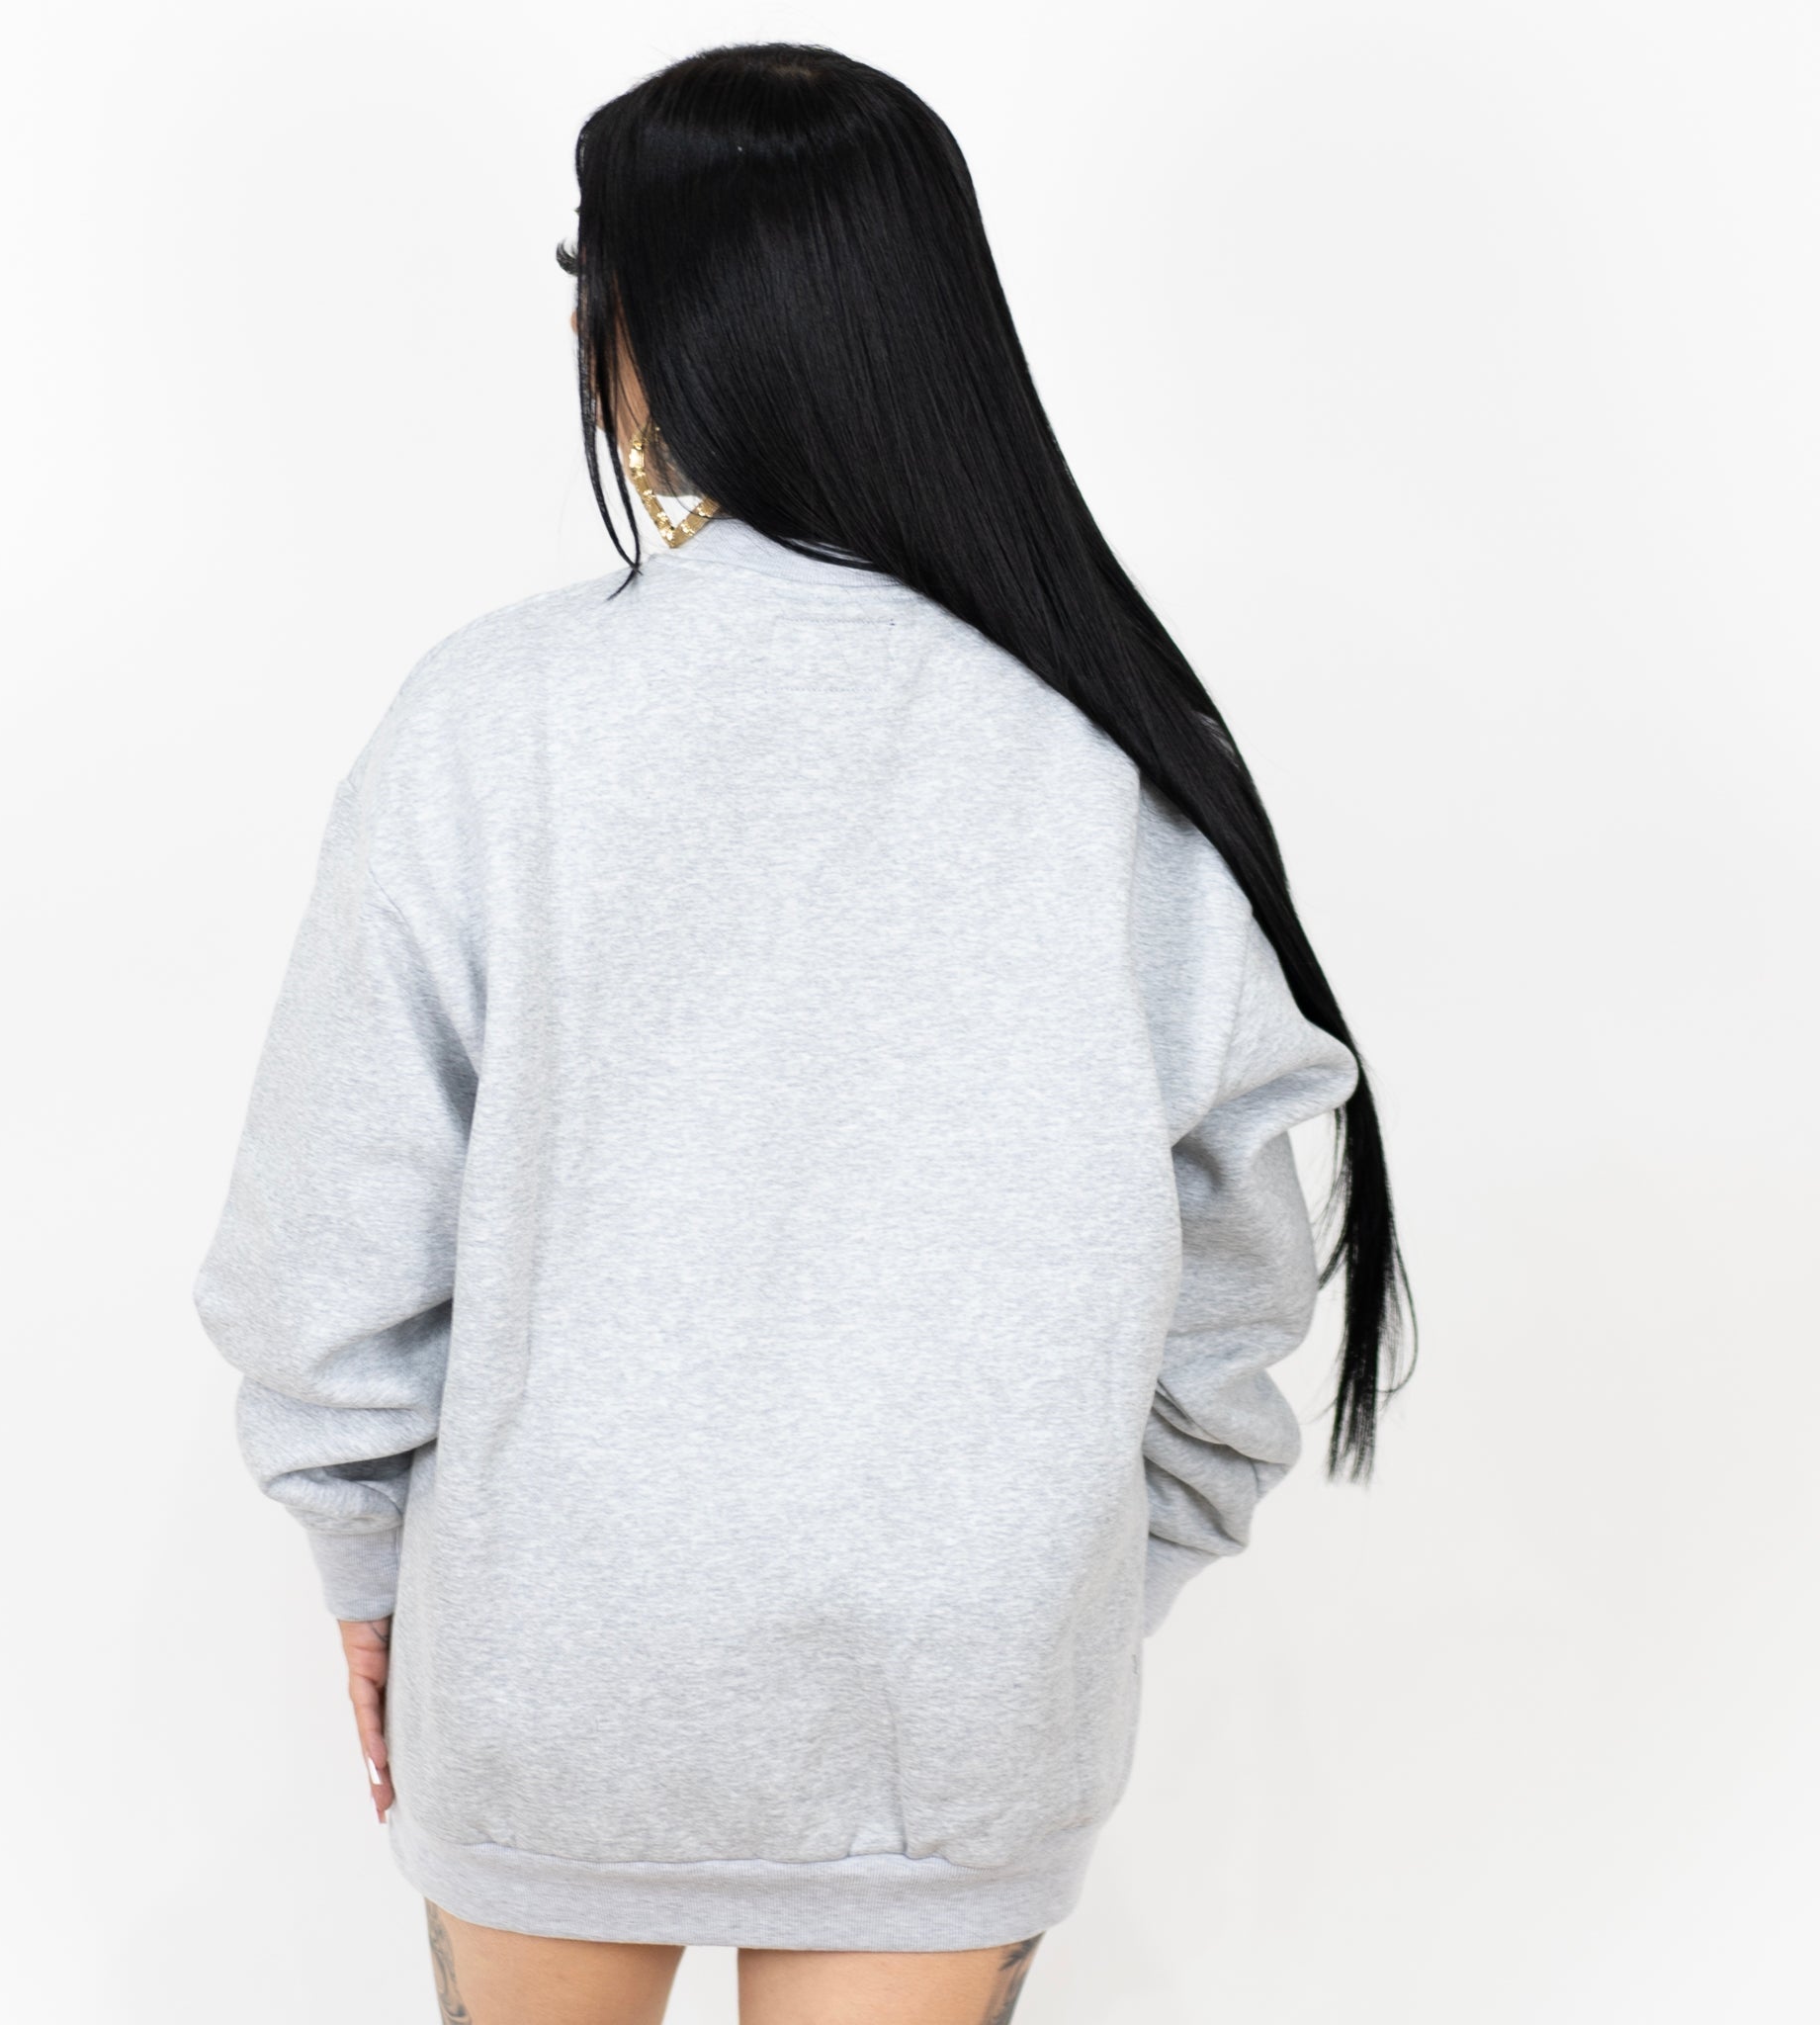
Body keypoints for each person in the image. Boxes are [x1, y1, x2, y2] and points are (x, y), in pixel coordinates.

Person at [192, 40, 1414, 2025]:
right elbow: (1235, 1288)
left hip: (557, 1673)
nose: (583, 330)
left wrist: (359, 1550)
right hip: (957, 1702)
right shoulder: (1118, 745)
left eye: (592, 277)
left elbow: (329, 1249)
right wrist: (1064, 1598)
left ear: (668, 322)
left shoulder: (492, 722)